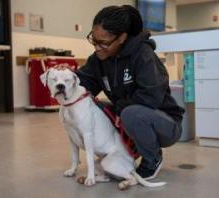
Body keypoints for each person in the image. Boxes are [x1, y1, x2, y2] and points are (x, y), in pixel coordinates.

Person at [75, 5, 185, 180]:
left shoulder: (143, 55)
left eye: (104, 42)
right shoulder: (99, 59)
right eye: (93, 40)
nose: (97, 47)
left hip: (165, 124)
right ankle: (118, 156)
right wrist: (65, 78)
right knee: (95, 107)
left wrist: (119, 110)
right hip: (130, 115)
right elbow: (83, 83)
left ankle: (152, 158)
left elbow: (150, 96)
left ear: (122, 38)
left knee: (130, 113)